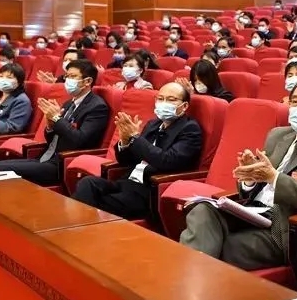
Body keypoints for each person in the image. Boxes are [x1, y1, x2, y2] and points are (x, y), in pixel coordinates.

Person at [179, 79, 297, 270]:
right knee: (202, 210)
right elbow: (255, 184)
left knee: (220, 246)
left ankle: (187, 280)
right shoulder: (278, 135)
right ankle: (190, 280)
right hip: (251, 212)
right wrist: (250, 179)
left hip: (281, 226)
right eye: (295, 102)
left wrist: (273, 178)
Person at [73, 82, 202, 220]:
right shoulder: (153, 124)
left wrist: (135, 138)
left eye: (171, 100)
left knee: (96, 204)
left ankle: (76, 225)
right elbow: (126, 161)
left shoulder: (190, 129)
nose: (164, 103)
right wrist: (125, 142)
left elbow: (167, 161)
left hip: (148, 190)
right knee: (88, 183)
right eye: (160, 98)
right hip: (126, 182)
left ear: (184, 106)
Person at [0, 59, 110, 185]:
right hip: (44, 157)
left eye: (73, 76)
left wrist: (57, 119)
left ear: (88, 81)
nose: (68, 80)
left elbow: (80, 140)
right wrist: (50, 126)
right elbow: (52, 139)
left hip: (63, 164)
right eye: (67, 76)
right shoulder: (69, 103)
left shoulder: (97, 107)